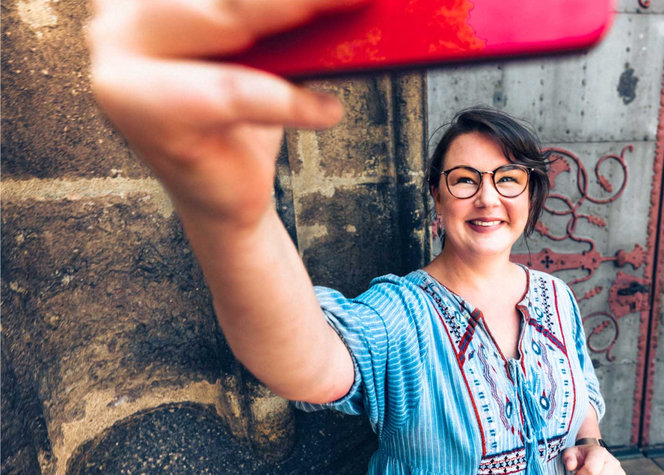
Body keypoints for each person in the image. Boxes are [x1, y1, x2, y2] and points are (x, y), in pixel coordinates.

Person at [86, 0, 624, 473]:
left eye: (508, 179)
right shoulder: (401, 314)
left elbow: (583, 395)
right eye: (464, 179)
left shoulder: (555, 297)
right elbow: (308, 364)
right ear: (435, 198)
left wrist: (593, 445)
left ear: (531, 195)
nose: (487, 198)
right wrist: (236, 219)